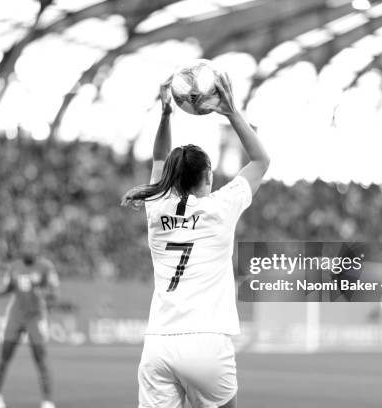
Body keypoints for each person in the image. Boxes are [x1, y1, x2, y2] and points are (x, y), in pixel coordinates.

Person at [122, 72, 270, 408]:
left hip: (158, 344)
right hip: (206, 343)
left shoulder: (156, 207)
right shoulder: (221, 207)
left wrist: (165, 114)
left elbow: (159, 159)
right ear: (207, 175)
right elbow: (261, 161)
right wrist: (230, 111)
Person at [0, 240, 59, 408]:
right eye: (26, 246)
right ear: (21, 249)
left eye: (32, 246)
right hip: (16, 317)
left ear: (37, 249)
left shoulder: (46, 267)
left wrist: (45, 293)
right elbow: (8, 288)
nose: (29, 250)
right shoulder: (14, 267)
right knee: (4, 356)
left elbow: (55, 292)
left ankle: (47, 401)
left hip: (36, 317)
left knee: (41, 359)